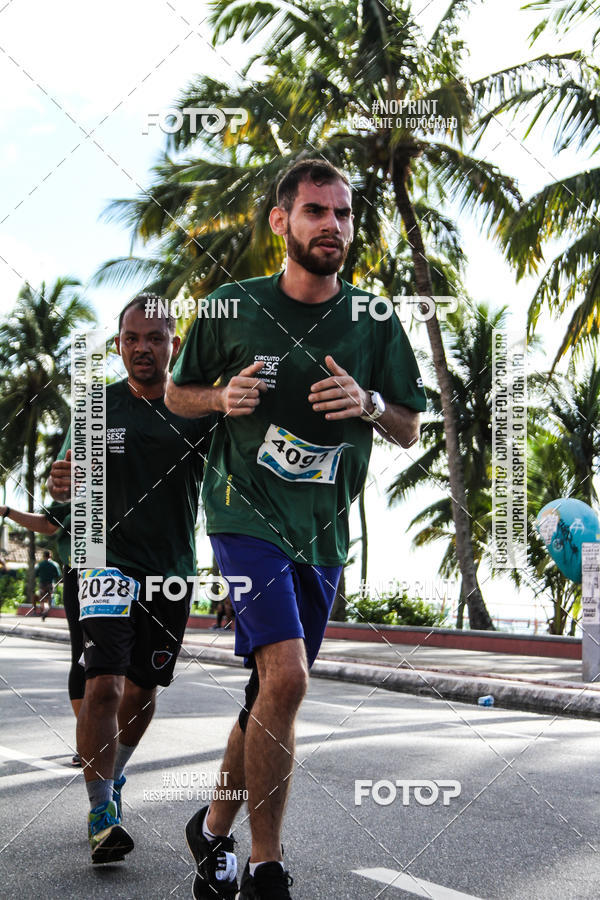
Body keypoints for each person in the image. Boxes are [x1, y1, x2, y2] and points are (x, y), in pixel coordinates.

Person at [165, 158, 427, 899]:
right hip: (244, 516)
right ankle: (266, 864)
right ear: (282, 222)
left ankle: (211, 828)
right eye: (316, 212)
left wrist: (370, 403)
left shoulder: (375, 320)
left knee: (267, 695)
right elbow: (178, 395)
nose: (332, 227)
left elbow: (408, 427)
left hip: (323, 531)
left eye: (342, 214)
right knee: (287, 676)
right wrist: (222, 398)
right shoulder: (230, 307)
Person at [48, 295, 213, 864]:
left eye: (156, 337)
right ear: (118, 343)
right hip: (102, 562)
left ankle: (113, 776)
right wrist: (64, 481)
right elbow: (68, 478)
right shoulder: (95, 405)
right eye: (132, 338)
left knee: (142, 692)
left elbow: (230, 486)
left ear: (174, 343)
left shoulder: (198, 407)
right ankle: (100, 813)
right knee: (105, 686)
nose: (143, 347)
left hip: (169, 572)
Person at [0, 503, 83, 765]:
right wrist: (7, 511)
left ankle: (112, 741)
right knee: (83, 656)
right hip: (82, 569)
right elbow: (49, 523)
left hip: (134, 570)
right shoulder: (85, 488)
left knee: (131, 669)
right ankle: (90, 739)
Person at [34, 549, 61, 619]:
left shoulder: (40, 564)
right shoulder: (55, 564)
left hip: (42, 584)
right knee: (49, 598)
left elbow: (36, 574)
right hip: (50, 584)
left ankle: (43, 611)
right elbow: (58, 575)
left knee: (42, 599)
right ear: (50, 556)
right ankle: (45, 611)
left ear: (43, 556)